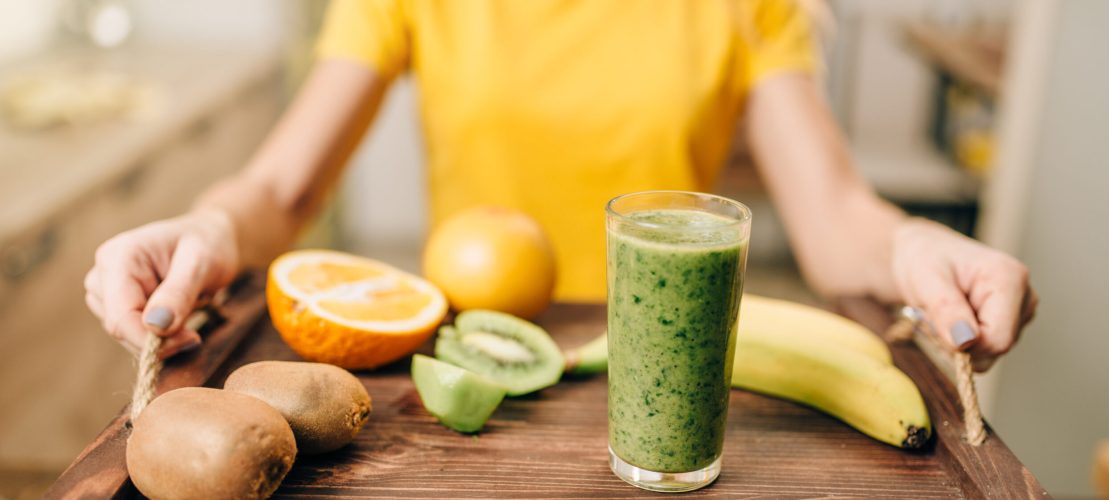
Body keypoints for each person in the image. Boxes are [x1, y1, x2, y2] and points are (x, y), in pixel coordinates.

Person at [84, 0, 1036, 370]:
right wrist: (209, 229)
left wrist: (912, 243)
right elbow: (281, 192)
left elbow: (833, 219)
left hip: (663, 362)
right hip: (473, 363)